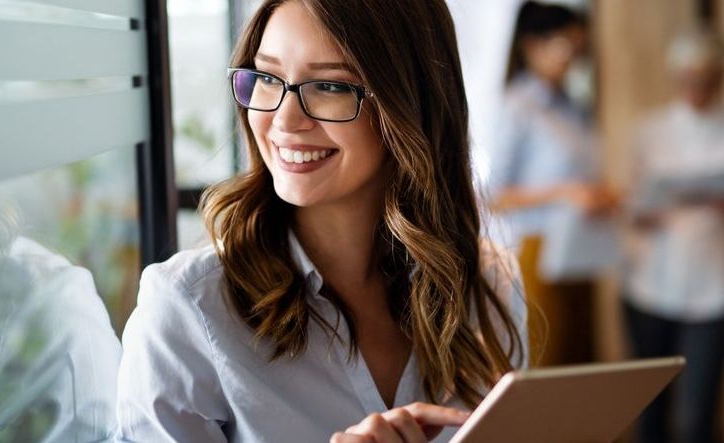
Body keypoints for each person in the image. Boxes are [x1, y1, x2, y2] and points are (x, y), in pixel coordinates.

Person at [115, 1, 528, 442]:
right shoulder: (189, 310)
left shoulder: (486, 288)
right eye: (268, 78)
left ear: (410, 103)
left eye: (330, 85)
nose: (284, 121)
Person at [623, 27, 724, 443]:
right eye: (689, 78)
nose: (698, 88)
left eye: (708, 78)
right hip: (650, 288)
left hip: (716, 291)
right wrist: (651, 207)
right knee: (649, 415)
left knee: (696, 420)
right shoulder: (650, 131)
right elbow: (630, 209)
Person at [489, 2, 616, 366]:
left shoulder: (572, 108)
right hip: (538, 250)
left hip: (581, 246)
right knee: (545, 361)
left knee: (579, 362)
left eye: (579, 47)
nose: (572, 57)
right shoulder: (519, 106)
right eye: (565, 45)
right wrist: (567, 193)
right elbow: (495, 195)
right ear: (532, 45)